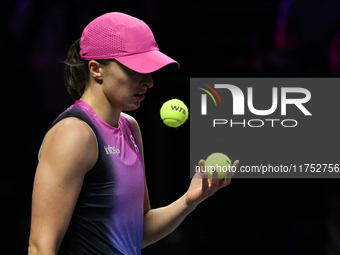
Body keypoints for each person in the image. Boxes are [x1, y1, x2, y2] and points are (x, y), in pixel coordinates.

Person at [28, 12, 239, 255]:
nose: (149, 81)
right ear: (96, 69)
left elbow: (137, 232)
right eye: (135, 69)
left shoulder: (130, 127)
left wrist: (189, 201)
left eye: (150, 70)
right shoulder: (73, 134)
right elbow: (40, 247)